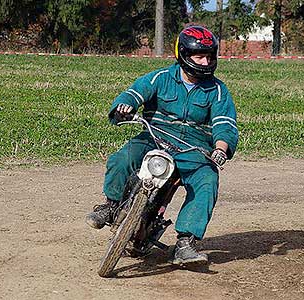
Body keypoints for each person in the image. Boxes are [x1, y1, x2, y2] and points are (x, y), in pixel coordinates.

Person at [86, 25, 239, 265]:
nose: (205, 61)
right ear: (183, 55)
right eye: (199, 56)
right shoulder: (160, 77)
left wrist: (220, 148)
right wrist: (124, 106)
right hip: (154, 137)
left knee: (207, 181)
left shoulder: (218, 90)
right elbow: (133, 93)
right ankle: (110, 205)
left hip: (193, 148)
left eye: (210, 56)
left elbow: (225, 124)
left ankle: (185, 242)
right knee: (122, 158)